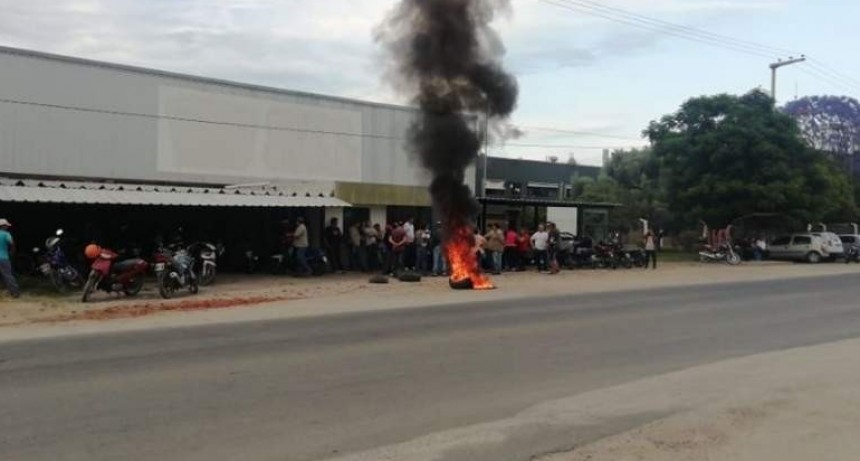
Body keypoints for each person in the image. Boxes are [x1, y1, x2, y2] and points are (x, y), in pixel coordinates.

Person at [0, 219, 20, 298]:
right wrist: (12, 253)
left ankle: (9, 291)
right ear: (3, 226)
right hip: (4, 257)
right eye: (6, 226)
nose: (7, 227)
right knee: (8, 275)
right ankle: (15, 293)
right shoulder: (6, 234)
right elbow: (12, 244)